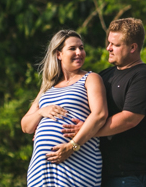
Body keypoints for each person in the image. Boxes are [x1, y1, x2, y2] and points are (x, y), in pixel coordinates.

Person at [62, 18, 146, 187]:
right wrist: (47, 125)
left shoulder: (143, 77)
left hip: (133, 173)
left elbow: (129, 119)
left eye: (115, 45)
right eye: (109, 43)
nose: (108, 48)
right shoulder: (106, 75)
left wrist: (88, 131)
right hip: (102, 172)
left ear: (132, 48)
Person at [21, 30, 108, 187]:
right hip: (40, 173)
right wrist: (41, 111)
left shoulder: (90, 78)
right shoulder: (47, 87)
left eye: (81, 48)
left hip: (77, 168)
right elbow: (26, 126)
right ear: (58, 54)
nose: (79, 52)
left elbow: (100, 115)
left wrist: (72, 146)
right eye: (72, 48)